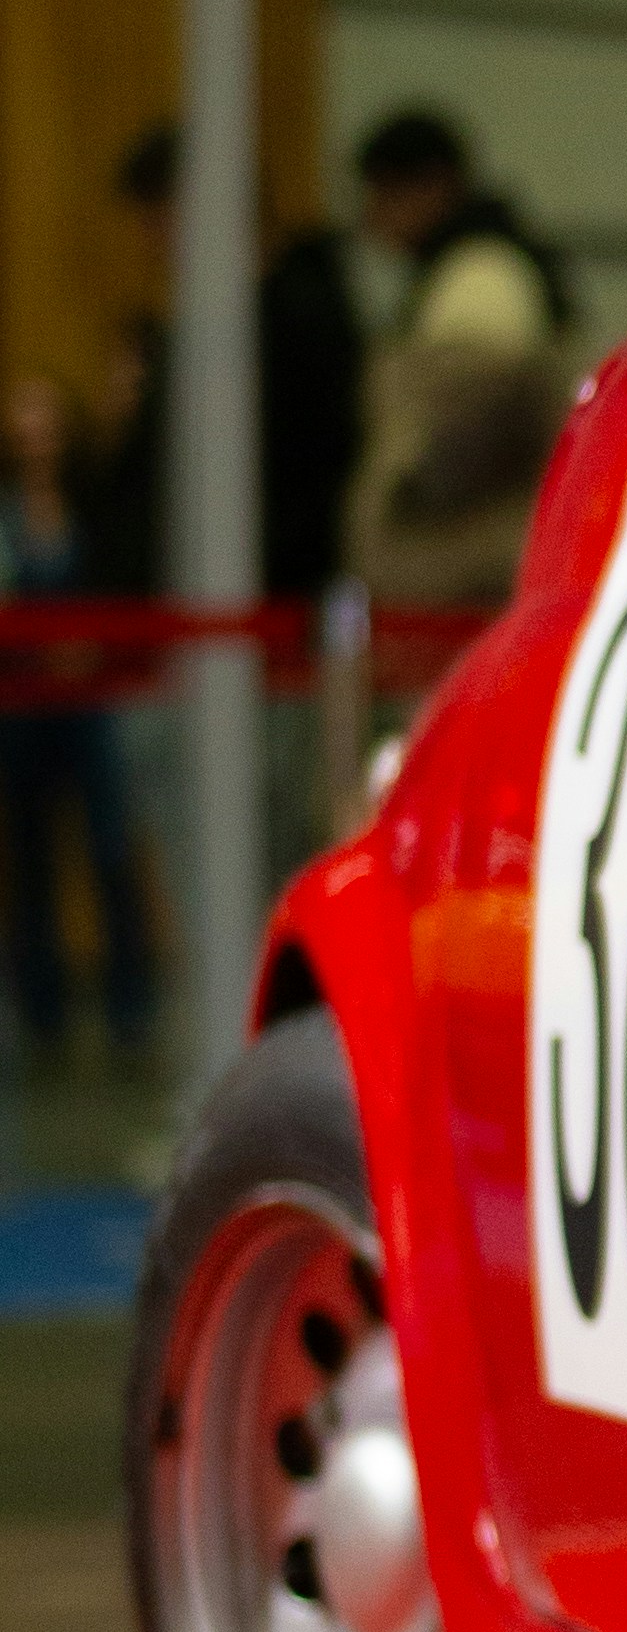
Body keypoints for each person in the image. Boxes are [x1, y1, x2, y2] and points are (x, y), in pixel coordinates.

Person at [93, 125, 366, 603]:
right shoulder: (217, 323)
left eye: (160, 226)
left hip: (256, 608)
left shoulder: (290, 325)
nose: (155, 248)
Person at [343, 108, 570, 615]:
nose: (371, 216)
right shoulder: (469, 270)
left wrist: (403, 487)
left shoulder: (482, 276)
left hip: (468, 574)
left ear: (431, 186)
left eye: (384, 195)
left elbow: (468, 429)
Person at [0, 375, 155, 1061]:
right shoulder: (6, 514)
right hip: (23, 705)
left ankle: (130, 1004)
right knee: (28, 857)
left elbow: (124, 584)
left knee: (109, 846)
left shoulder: (94, 507)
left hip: (91, 702)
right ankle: (43, 1013)